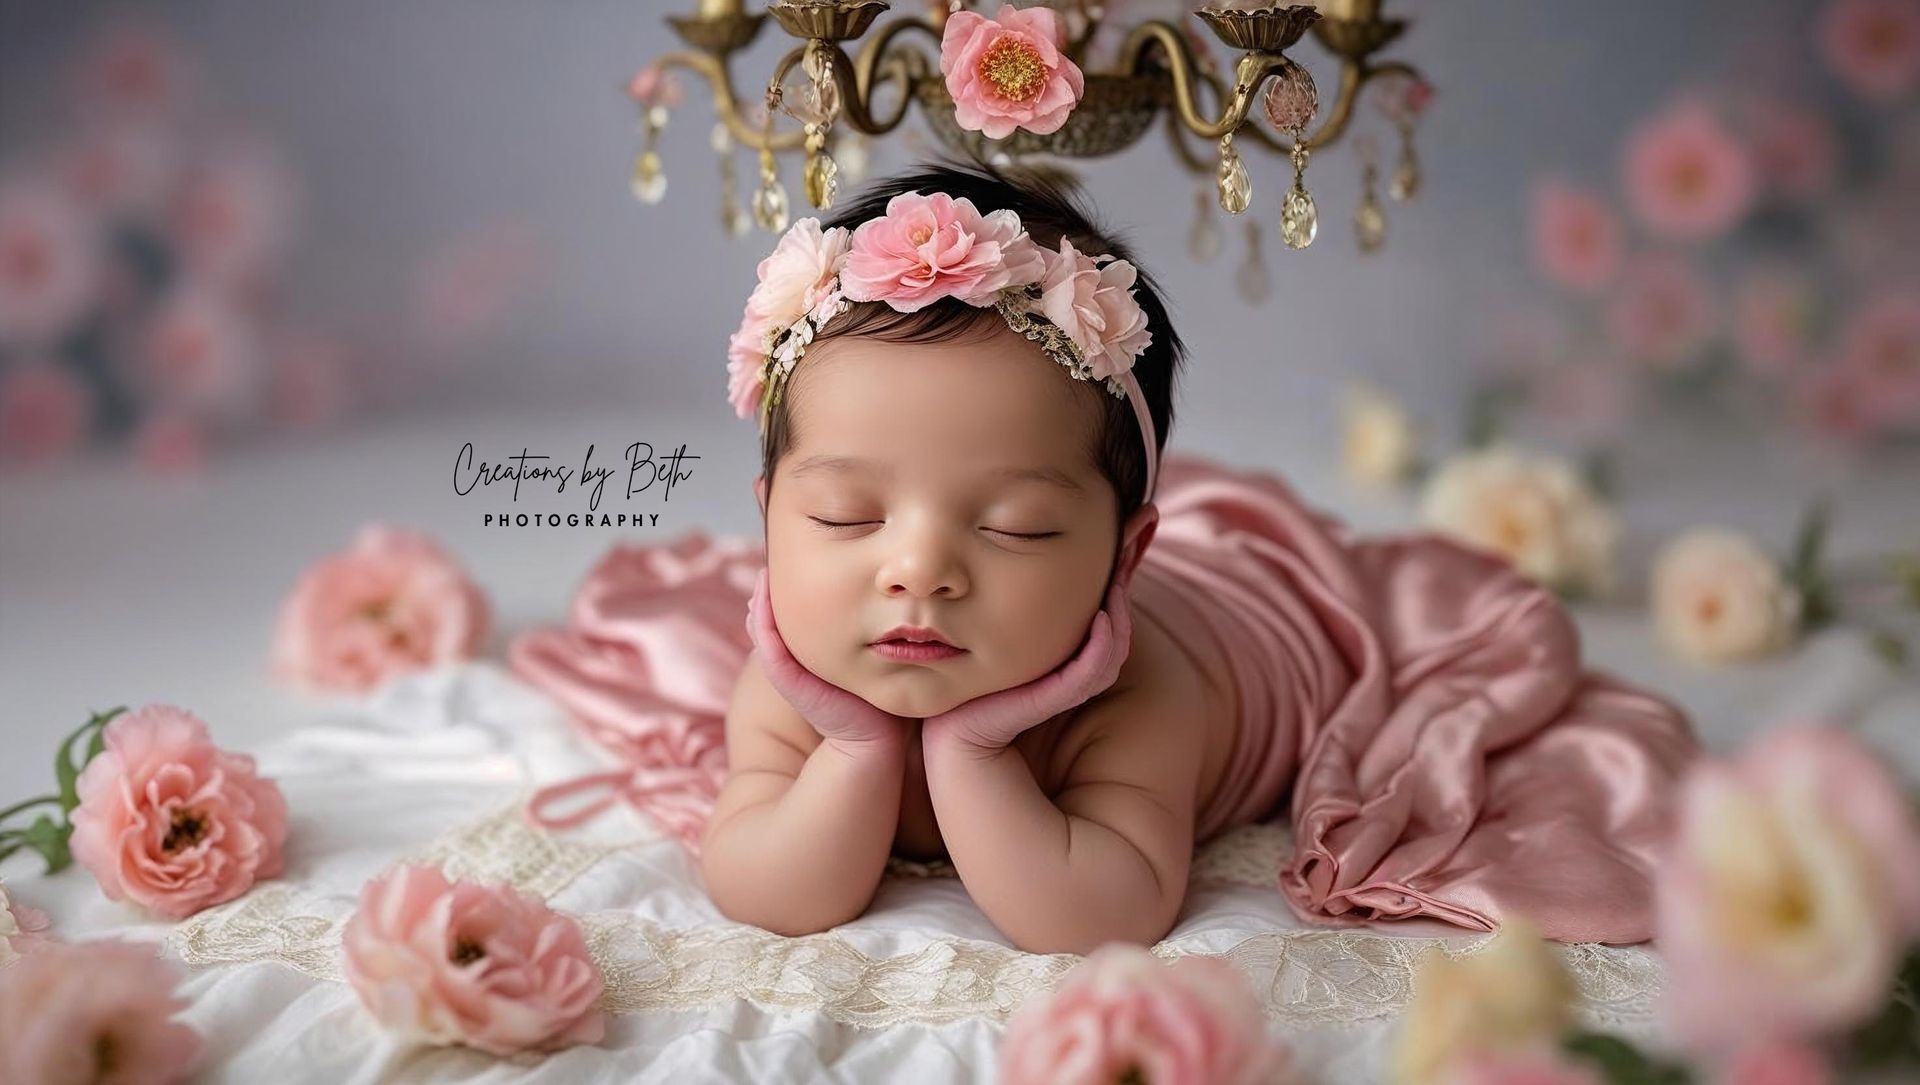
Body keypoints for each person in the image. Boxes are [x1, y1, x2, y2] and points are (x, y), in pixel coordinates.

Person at [513, 162, 1700, 956]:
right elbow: (768, 887)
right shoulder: (792, 679)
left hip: (1259, 622)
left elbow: (1096, 914)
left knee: (1276, 574)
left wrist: (972, 746)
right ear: (768, 517)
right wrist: (858, 739)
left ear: (1123, 558)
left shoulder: (1141, 698)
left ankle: (1161, 548)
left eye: (1020, 527)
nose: (918, 571)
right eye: (844, 519)